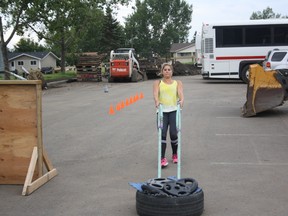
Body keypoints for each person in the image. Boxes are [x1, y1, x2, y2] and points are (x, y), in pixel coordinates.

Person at [153, 63, 184, 168]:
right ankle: (162, 158)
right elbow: (156, 94)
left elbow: (180, 94)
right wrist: (157, 101)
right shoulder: (157, 83)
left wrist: (182, 100)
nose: (167, 71)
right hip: (162, 111)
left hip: (174, 111)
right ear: (162, 71)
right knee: (162, 134)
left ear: (172, 71)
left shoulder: (178, 83)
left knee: (174, 134)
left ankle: (175, 154)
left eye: (169, 70)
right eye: (165, 70)